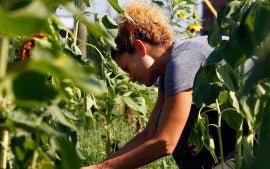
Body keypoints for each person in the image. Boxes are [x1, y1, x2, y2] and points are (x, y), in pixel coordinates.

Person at [81, 1, 236, 168]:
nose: (130, 78)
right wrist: (99, 165)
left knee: (182, 125)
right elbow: (150, 133)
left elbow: (165, 142)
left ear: (140, 47)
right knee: (164, 116)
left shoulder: (181, 60)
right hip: (244, 133)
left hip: (259, 138)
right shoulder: (169, 68)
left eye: (127, 68)